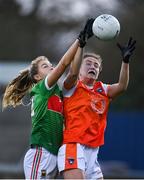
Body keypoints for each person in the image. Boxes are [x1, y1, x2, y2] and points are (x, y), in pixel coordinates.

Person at [2, 19, 93, 179]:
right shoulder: (42, 88)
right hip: (41, 153)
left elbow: (73, 72)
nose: (51, 67)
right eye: (45, 66)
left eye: (50, 64)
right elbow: (64, 64)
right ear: (37, 77)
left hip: (55, 153)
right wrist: (78, 40)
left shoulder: (58, 91)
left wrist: (82, 45)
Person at [57, 35, 136, 179]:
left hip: (93, 150)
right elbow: (72, 73)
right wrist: (80, 45)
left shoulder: (103, 89)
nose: (93, 66)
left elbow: (122, 86)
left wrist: (125, 62)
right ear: (79, 68)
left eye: (96, 65)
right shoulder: (71, 87)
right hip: (73, 146)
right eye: (88, 63)